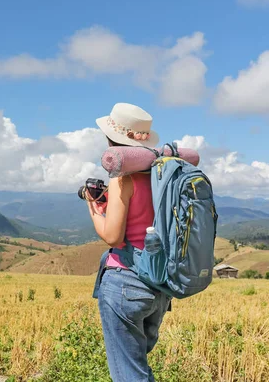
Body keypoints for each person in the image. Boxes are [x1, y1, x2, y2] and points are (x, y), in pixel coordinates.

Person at [87, 103, 171, 382]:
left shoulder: (122, 177)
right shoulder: (163, 173)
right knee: (137, 368)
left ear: (111, 139)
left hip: (126, 281)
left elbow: (113, 236)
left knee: (129, 376)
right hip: (158, 284)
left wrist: (93, 208)